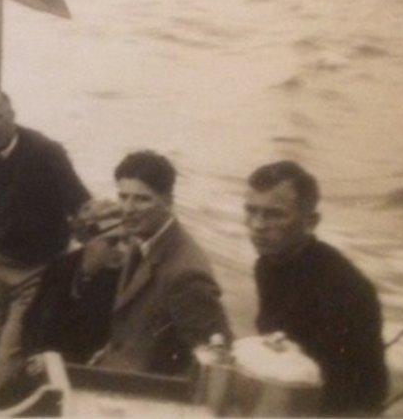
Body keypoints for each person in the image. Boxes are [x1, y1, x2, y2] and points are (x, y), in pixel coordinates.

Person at [0, 88, 92, 407]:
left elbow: (80, 201)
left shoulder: (46, 152)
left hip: (36, 272)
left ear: (12, 116)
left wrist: (93, 222)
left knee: (9, 363)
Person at [245, 161, 387, 416]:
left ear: (311, 221)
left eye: (274, 214)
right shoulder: (267, 264)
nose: (257, 225)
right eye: (251, 211)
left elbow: (364, 399)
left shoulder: (345, 290)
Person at [90, 150, 231, 375]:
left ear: (168, 201)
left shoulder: (187, 274)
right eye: (123, 196)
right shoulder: (144, 238)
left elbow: (214, 360)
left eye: (142, 199)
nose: (127, 209)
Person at [20, 226, 122, 368]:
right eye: (112, 242)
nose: (121, 249)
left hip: (86, 365)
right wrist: (37, 353)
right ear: (88, 240)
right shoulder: (62, 267)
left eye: (126, 241)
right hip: (44, 359)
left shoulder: (120, 277)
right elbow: (33, 318)